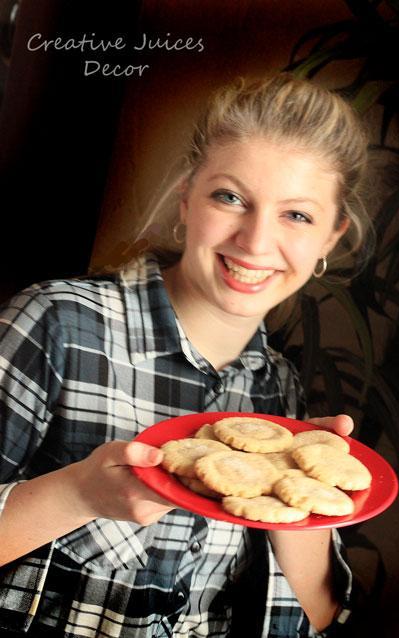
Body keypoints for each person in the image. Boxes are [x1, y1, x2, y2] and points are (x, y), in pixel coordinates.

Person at [0, 73, 371, 637]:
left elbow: (317, 618)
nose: (254, 241)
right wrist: (76, 493)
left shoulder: (282, 394)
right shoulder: (58, 324)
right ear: (186, 199)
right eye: (230, 197)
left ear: (331, 238)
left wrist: (303, 505)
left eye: (297, 215)